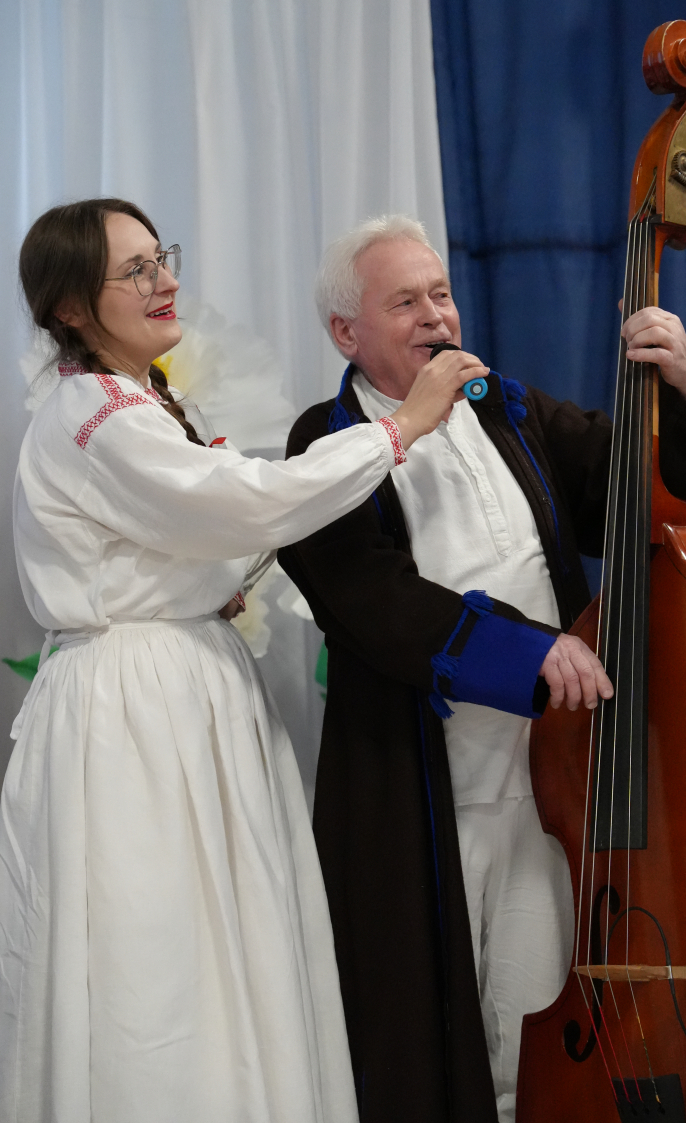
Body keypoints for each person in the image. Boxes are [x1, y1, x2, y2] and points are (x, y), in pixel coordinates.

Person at [0, 199, 488, 1123]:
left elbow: (191, 528)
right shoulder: (96, 411)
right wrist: (399, 429)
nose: (165, 281)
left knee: (224, 951)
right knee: (162, 963)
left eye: (162, 258)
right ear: (70, 307)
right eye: (135, 270)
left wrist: (203, 580)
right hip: (136, 718)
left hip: (181, 690)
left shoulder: (130, 400)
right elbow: (248, 501)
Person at [277, 215, 686, 1123]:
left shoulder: (508, 406)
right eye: (404, 302)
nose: (435, 316)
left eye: (441, 294)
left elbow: (633, 495)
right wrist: (533, 649)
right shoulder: (322, 441)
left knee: (533, 1033)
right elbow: (372, 601)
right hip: (421, 788)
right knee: (430, 1043)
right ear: (346, 333)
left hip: (548, 785)